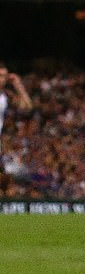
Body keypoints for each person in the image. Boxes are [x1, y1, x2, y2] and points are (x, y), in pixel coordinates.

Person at [0, 62, 32, 193]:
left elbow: (27, 106)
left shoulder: (4, 96)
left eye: (4, 76)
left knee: (5, 181)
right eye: (0, 76)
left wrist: (18, 86)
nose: (3, 79)